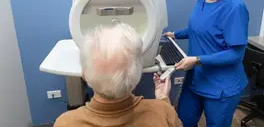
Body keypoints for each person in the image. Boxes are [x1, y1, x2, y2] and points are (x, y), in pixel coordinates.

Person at [165, 0, 249, 127]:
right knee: (182, 121)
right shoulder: (202, 0)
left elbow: (235, 54)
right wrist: (176, 34)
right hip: (196, 79)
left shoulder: (235, 8)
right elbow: (199, 29)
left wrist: (196, 60)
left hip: (221, 86)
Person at [54, 23, 182, 127]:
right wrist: (163, 101)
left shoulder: (65, 123)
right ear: (137, 76)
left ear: (84, 75)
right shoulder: (163, 113)